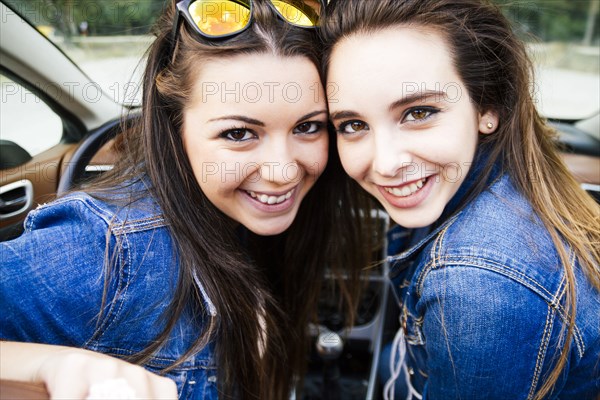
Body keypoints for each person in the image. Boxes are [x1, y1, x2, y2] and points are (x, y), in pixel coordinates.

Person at [0, 0, 372, 399]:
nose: (283, 172)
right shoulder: (113, 248)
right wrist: (50, 367)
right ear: (175, 127)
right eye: (238, 134)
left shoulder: (248, 220)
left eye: (308, 126)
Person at [320, 0, 600, 399]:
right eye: (353, 125)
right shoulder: (493, 177)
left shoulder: (476, 283)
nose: (385, 163)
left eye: (418, 113)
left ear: (487, 106)